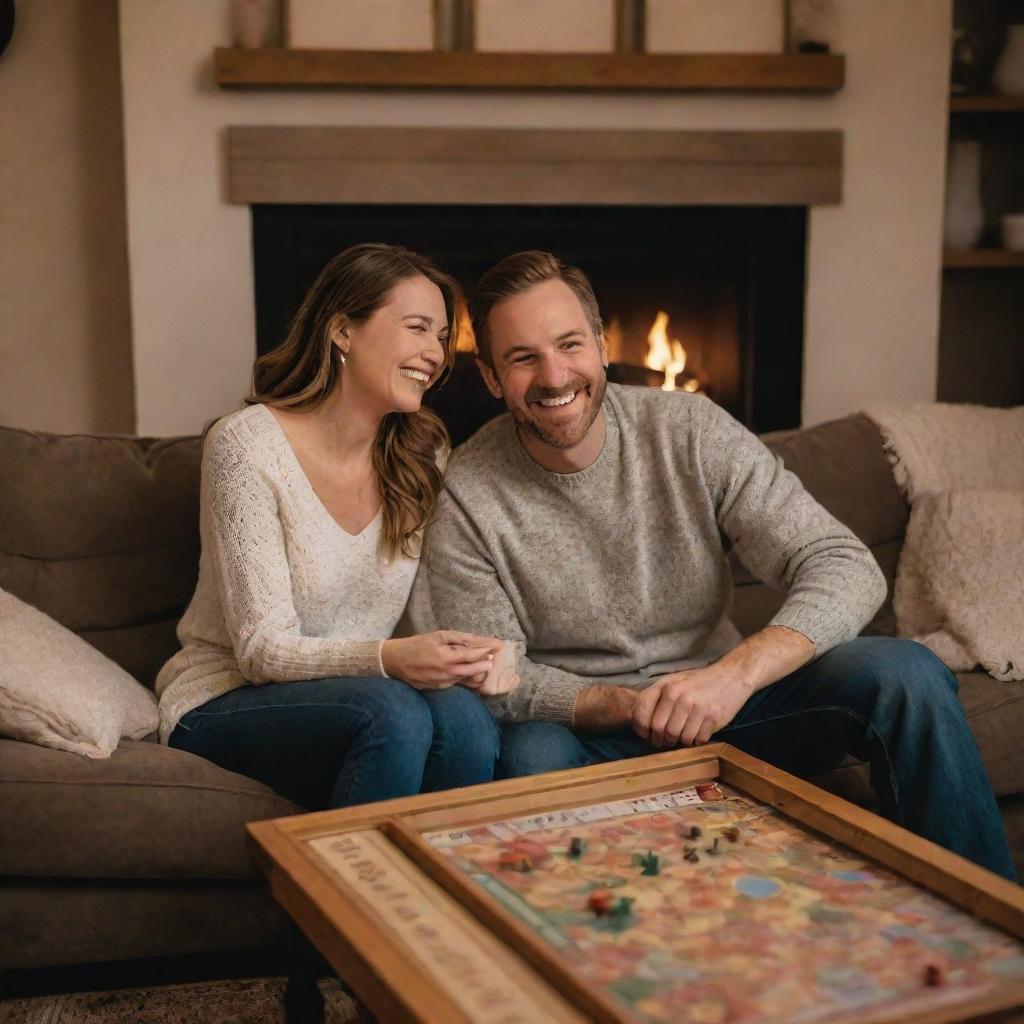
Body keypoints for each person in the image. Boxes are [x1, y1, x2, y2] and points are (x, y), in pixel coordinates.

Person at [408, 249, 1016, 880]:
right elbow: (496, 674)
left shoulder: (688, 428)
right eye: (522, 357)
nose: (554, 375)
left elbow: (842, 563)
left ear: (600, 342)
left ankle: (991, 923)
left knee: (906, 671)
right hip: (590, 728)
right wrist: (620, 703)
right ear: (488, 375)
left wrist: (734, 677)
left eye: (569, 345)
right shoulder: (466, 494)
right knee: (529, 758)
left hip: (730, 704)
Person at [155, 243, 517, 811]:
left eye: (442, 337)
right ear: (342, 330)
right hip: (225, 699)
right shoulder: (247, 445)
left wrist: (480, 654)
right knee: (392, 713)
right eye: (417, 328)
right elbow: (260, 649)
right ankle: (356, 897)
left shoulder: (423, 453)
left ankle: (436, 892)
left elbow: (424, 613)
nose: (436, 354)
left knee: (466, 720)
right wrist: (392, 659)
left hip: (366, 695)